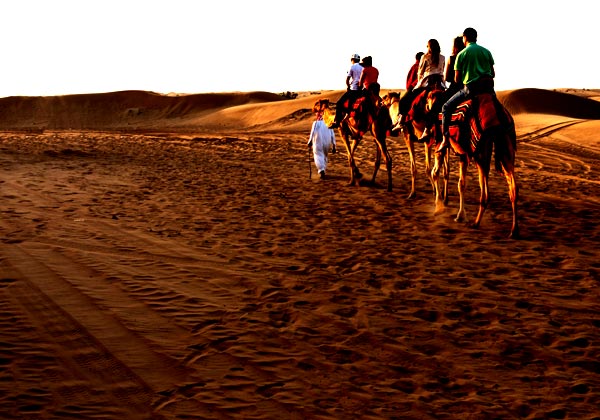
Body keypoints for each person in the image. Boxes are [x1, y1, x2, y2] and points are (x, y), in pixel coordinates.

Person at [438, 27, 496, 152]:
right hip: (488, 89)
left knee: (446, 108)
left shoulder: (461, 55)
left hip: (471, 90)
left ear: (465, 38)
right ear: (476, 37)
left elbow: (457, 79)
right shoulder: (486, 51)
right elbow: (493, 73)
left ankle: (445, 139)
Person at [399, 39, 446, 139]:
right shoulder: (442, 57)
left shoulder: (424, 57)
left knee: (404, 100)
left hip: (427, 82)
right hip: (439, 83)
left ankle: (401, 121)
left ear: (429, 47)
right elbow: (442, 70)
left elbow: (420, 73)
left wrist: (418, 85)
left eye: (427, 46)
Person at [329, 54, 363, 128]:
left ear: (352, 60)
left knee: (339, 103)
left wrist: (348, 86)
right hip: (362, 90)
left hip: (354, 89)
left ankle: (337, 122)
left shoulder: (352, 67)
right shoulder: (363, 67)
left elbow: (348, 79)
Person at [308, 100, 337, 179]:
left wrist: (309, 142)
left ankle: (321, 170)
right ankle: (323, 169)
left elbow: (312, 133)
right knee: (324, 156)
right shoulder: (328, 123)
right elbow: (332, 135)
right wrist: (334, 145)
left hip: (317, 142)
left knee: (317, 155)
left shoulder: (315, 123)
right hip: (327, 143)